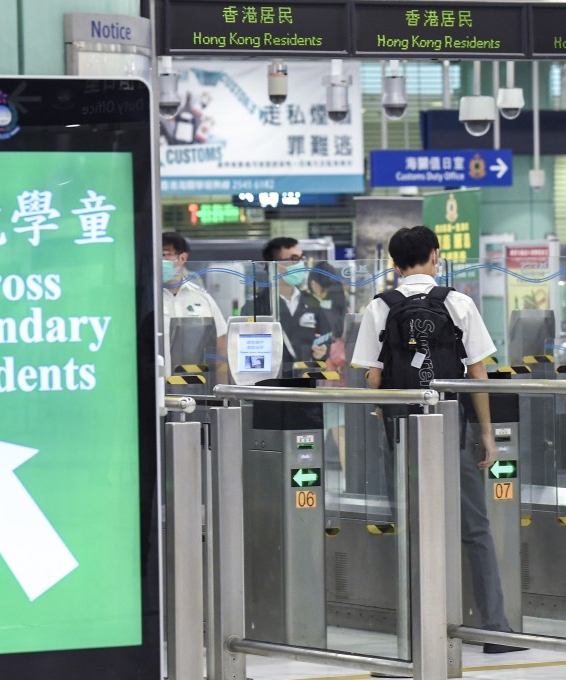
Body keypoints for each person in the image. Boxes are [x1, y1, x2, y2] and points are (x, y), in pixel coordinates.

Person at [351, 226, 523, 655]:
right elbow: (478, 373)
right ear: (435, 256)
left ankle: (417, 630)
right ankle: (494, 629)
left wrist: (384, 412)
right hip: (454, 427)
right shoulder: (459, 303)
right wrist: (485, 432)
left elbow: (372, 376)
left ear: (394, 264)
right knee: (475, 528)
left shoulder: (380, 306)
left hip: (403, 431)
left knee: (411, 526)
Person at [242, 237, 332, 375]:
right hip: (268, 386)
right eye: (294, 259)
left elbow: (326, 338)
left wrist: (322, 353)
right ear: (273, 265)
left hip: (305, 386)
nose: (300, 264)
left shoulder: (313, 303)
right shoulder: (255, 307)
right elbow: (248, 353)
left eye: (302, 258)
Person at [162, 232, 228, 385]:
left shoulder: (201, 297)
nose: (160, 260)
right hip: (155, 390)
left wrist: (224, 396)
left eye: (165, 254)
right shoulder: (145, 299)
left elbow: (221, 347)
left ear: (182, 258)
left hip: (195, 388)